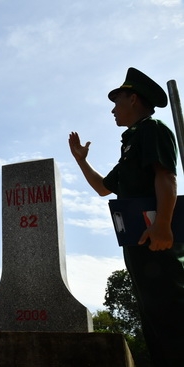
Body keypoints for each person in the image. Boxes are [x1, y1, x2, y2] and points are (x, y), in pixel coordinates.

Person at [68, 67, 184, 367]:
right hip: (138, 244)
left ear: (133, 99)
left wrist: (162, 225)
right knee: (154, 321)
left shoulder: (152, 129)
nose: (113, 109)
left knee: (174, 317)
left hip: (158, 240)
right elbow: (103, 188)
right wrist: (82, 161)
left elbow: (166, 177)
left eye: (117, 100)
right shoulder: (131, 143)